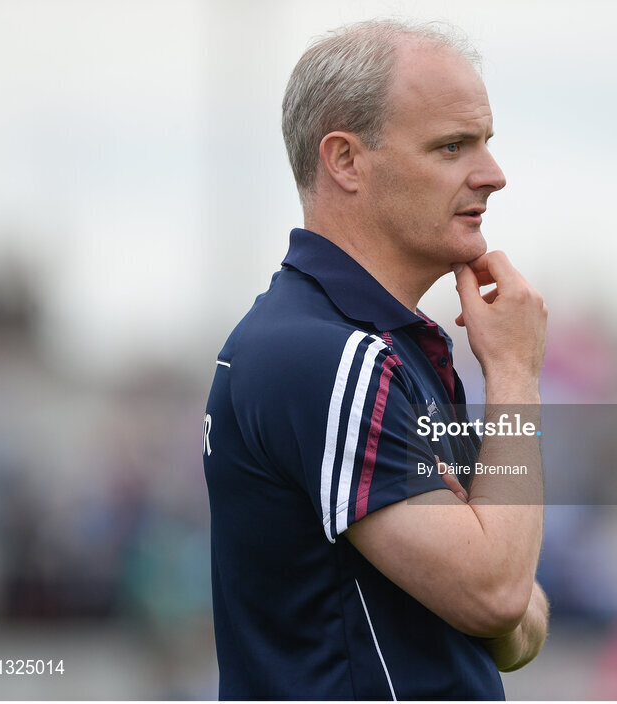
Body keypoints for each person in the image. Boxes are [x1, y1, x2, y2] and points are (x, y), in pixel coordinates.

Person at [202, 19, 548, 700]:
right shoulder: (326, 358)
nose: (493, 175)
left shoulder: (378, 347)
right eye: (453, 146)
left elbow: (519, 614)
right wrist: (513, 373)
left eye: (485, 143)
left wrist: (487, 578)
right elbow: (501, 596)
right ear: (345, 161)